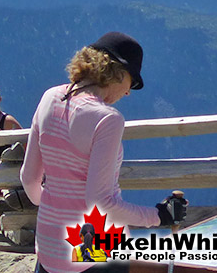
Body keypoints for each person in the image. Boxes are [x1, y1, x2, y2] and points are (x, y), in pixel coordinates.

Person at [20, 32, 187, 273]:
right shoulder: (107, 119)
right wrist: (159, 216)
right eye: (133, 81)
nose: (129, 91)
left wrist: (57, 209)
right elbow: (100, 203)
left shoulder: (50, 97)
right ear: (118, 72)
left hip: (48, 247)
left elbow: (29, 178)